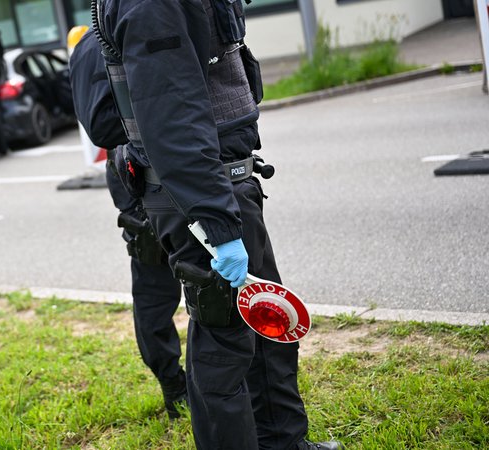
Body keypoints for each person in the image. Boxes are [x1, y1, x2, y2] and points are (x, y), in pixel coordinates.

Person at [91, 1, 343, 449]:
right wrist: (217, 224)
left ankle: (284, 443)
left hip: (224, 188)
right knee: (224, 350)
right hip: (201, 197)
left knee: (267, 332)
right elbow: (172, 116)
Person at [69, 32, 187, 419]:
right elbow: (102, 125)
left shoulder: (106, 33)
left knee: (200, 283)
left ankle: (203, 383)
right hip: (139, 175)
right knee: (157, 287)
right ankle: (175, 385)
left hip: (168, 168)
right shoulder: (99, 40)